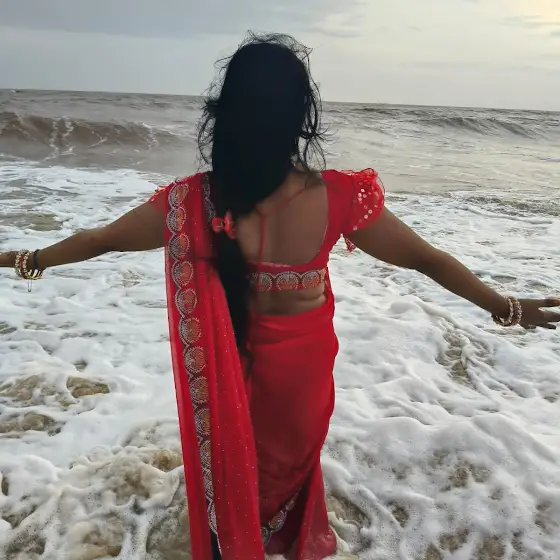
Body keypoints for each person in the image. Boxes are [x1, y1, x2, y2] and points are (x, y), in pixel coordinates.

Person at [0, 32, 558, 560]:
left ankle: (233, 540)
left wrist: (31, 258)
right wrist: (505, 306)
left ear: (225, 115)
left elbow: (100, 240)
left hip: (231, 368)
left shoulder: (189, 203)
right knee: (285, 472)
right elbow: (426, 258)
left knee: (234, 473)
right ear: (301, 117)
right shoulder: (340, 197)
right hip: (303, 377)